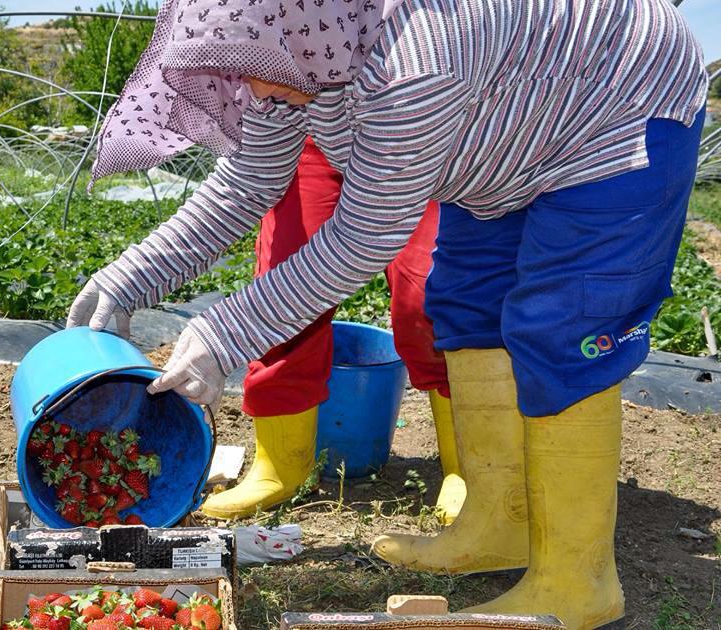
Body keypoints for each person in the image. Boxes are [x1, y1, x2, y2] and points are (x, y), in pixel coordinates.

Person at [67, 1, 707, 627]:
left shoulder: (412, 62)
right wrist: (128, 279)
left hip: (619, 110)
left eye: (257, 63)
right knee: (466, 302)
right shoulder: (297, 43)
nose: (251, 83)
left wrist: (223, 331)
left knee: (566, 326)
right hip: (505, 132)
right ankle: (498, 523)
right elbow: (245, 185)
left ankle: (578, 581)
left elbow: (365, 236)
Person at [196, 135, 462, 523]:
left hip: (422, 124)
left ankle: (467, 466)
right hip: (310, 121)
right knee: (286, 283)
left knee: (430, 292)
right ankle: (283, 468)